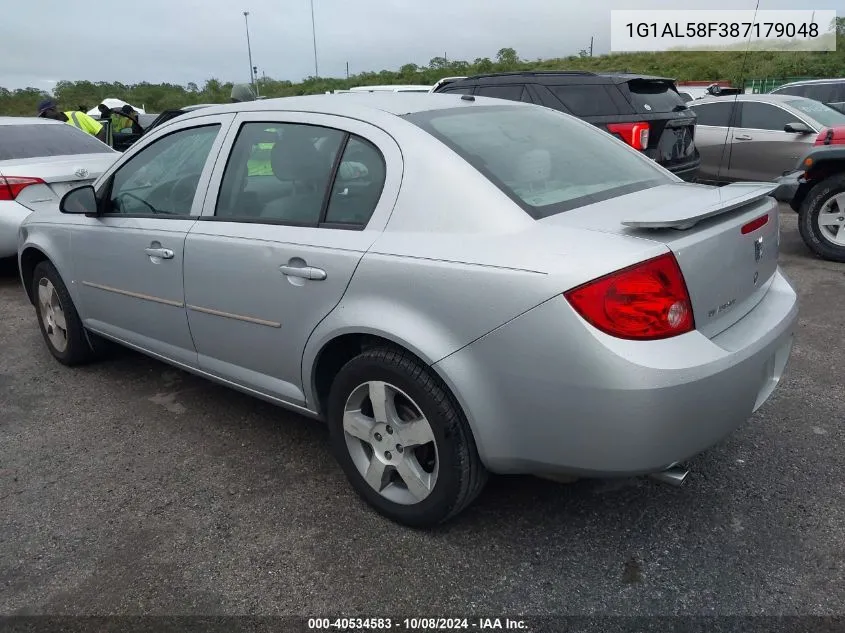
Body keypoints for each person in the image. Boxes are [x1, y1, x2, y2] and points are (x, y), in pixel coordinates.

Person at [37, 99, 107, 142]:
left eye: (44, 114)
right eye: (42, 116)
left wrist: (96, 149)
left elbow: (100, 130)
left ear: (53, 110)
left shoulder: (77, 115)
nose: (44, 118)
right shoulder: (50, 128)